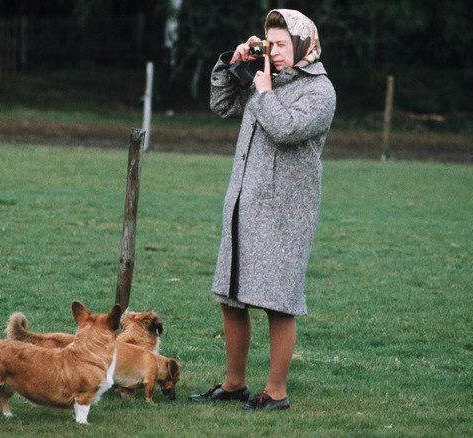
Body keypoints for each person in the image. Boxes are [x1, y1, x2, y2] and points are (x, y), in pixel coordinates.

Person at [188, 9, 336, 410]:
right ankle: (234, 383)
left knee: (277, 301)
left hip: (286, 212)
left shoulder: (319, 91)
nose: (277, 52)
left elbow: (286, 130)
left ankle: (276, 392)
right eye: (271, 44)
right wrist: (231, 65)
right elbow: (221, 105)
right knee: (232, 296)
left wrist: (265, 90)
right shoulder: (262, 78)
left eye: (284, 45)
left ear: (305, 44)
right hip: (243, 202)